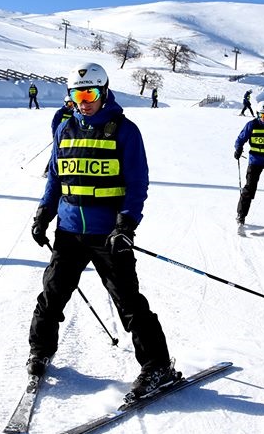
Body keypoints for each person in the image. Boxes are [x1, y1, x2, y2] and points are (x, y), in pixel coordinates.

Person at [28, 62, 179, 400]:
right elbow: (55, 177)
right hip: (68, 230)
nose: (85, 100)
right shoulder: (63, 129)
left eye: (91, 93)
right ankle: (40, 350)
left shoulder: (125, 131)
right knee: (52, 293)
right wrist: (43, 214)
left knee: (128, 301)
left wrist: (126, 225)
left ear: (104, 91)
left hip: (108, 234)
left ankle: (158, 366)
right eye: (78, 94)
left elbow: (137, 183)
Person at [43, 96, 75, 177]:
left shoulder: (74, 114)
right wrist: (55, 136)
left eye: (73, 104)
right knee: (56, 153)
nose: (71, 106)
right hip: (60, 136)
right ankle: (48, 171)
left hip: (70, 137)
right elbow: (54, 125)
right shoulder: (60, 112)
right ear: (65, 103)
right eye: (69, 104)